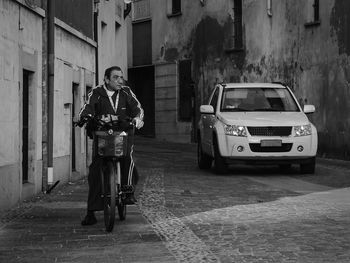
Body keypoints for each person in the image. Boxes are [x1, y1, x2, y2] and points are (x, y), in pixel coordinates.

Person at [79, 66, 144, 226]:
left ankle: (128, 192)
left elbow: (138, 109)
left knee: (127, 159)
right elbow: (87, 107)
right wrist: (85, 117)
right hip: (102, 134)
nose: (120, 81)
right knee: (95, 169)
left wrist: (137, 119)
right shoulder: (96, 93)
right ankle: (91, 211)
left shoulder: (126, 92)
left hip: (123, 133)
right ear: (106, 79)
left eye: (121, 77)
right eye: (115, 77)